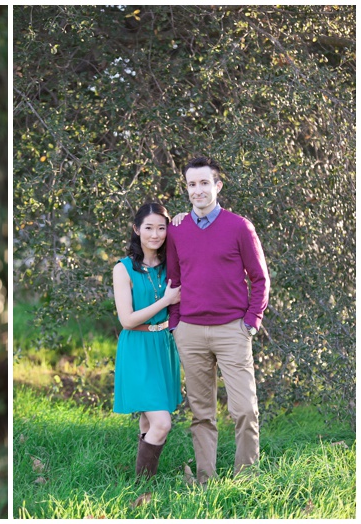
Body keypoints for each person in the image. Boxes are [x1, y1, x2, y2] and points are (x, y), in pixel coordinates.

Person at [166, 156, 270, 485]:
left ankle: (247, 481)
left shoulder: (239, 227)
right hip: (191, 332)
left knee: (244, 410)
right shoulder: (177, 230)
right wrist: (175, 324)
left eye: (204, 183)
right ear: (187, 189)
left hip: (232, 331)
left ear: (217, 185)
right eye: (192, 185)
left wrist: (251, 322)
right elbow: (174, 279)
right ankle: (205, 482)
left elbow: (260, 278)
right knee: (202, 415)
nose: (198, 190)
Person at [113, 202, 183, 479]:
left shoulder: (170, 266)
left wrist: (181, 220)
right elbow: (127, 319)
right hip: (137, 348)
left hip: (163, 347)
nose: (155, 234)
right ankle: (143, 483)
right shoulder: (123, 268)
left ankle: (140, 485)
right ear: (136, 229)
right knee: (162, 422)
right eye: (149, 228)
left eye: (162, 228)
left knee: (149, 419)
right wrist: (166, 301)